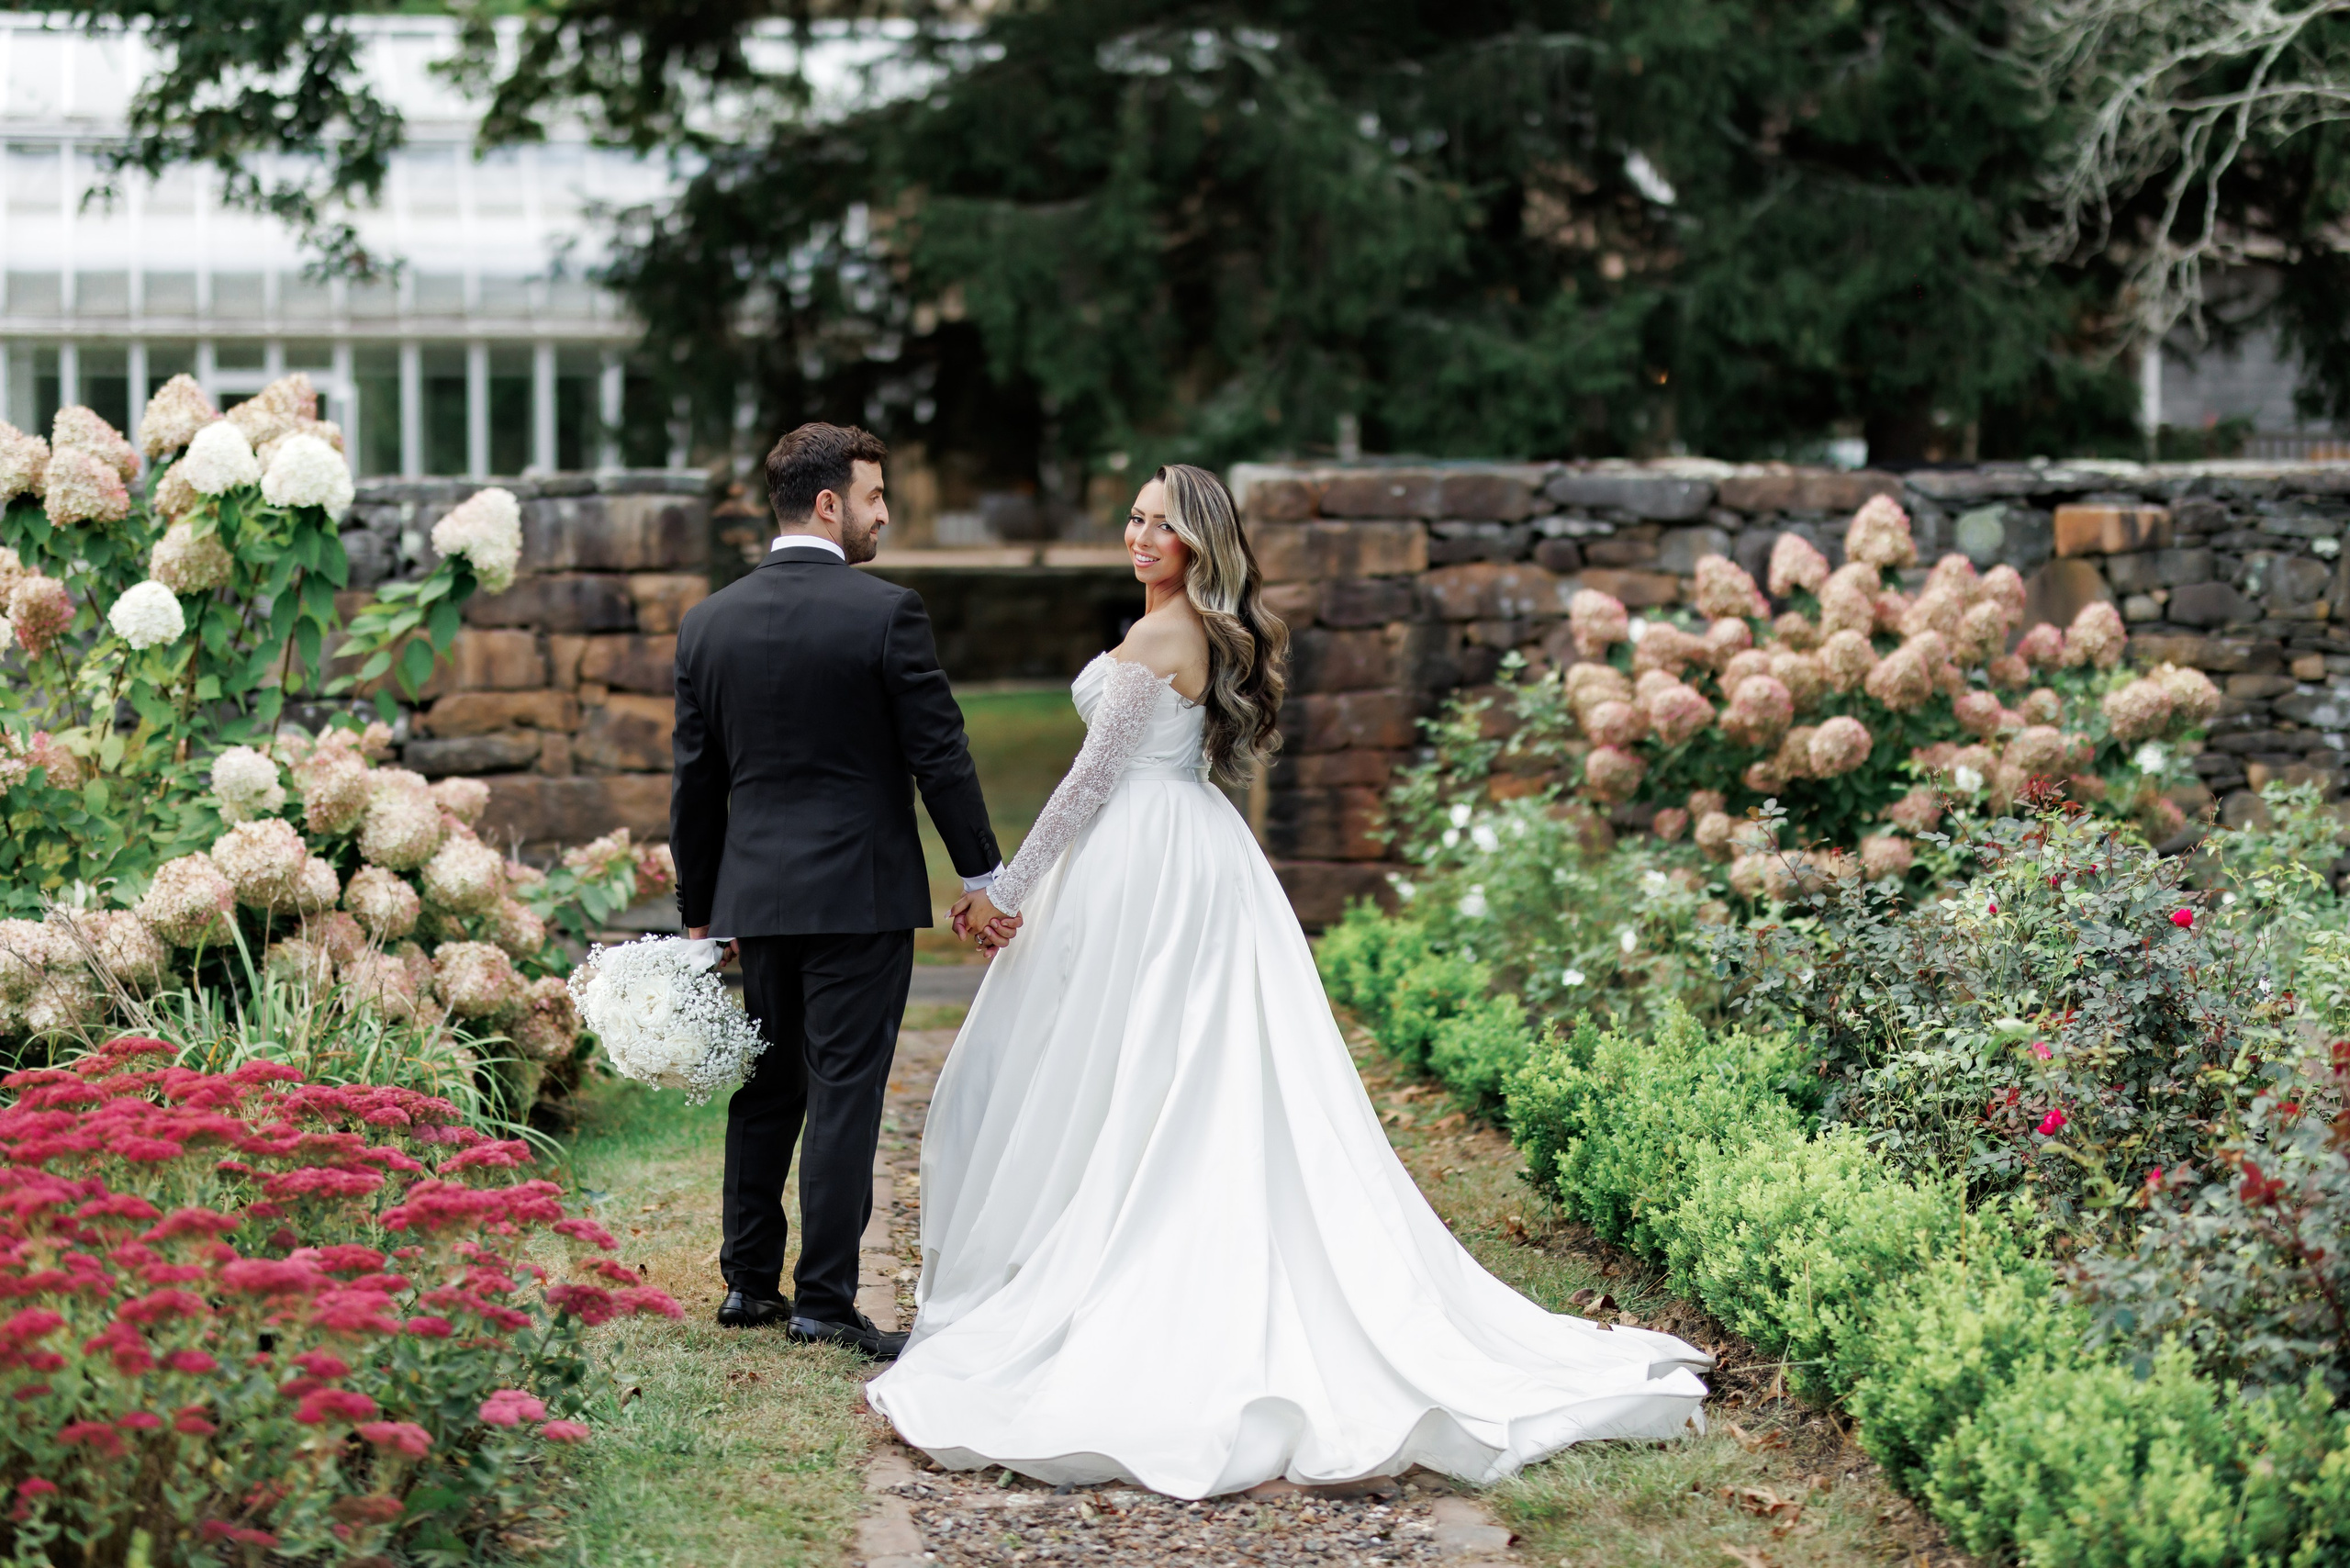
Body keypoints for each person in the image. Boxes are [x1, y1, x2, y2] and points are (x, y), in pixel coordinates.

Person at [864, 464, 1712, 1498]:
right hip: (1185, 848)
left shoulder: (1161, 636)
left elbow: (1088, 783)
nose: (1139, 537)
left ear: (1198, 541)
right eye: (1133, 518)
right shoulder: (1195, 630)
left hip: (1145, 858)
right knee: (1159, 1056)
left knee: (1139, 1056)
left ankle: (1132, 1249)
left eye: (1161, 525)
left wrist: (1005, 888)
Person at [669, 421, 1006, 1359]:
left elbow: (694, 783)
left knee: (766, 1086)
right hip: (859, 895)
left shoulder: (708, 622)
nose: (884, 513)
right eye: (873, 495)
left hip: (754, 894)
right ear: (829, 505)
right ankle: (822, 1301)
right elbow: (939, 754)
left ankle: (747, 1284)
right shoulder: (886, 613)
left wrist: (700, 912)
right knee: (843, 1093)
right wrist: (985, 873)